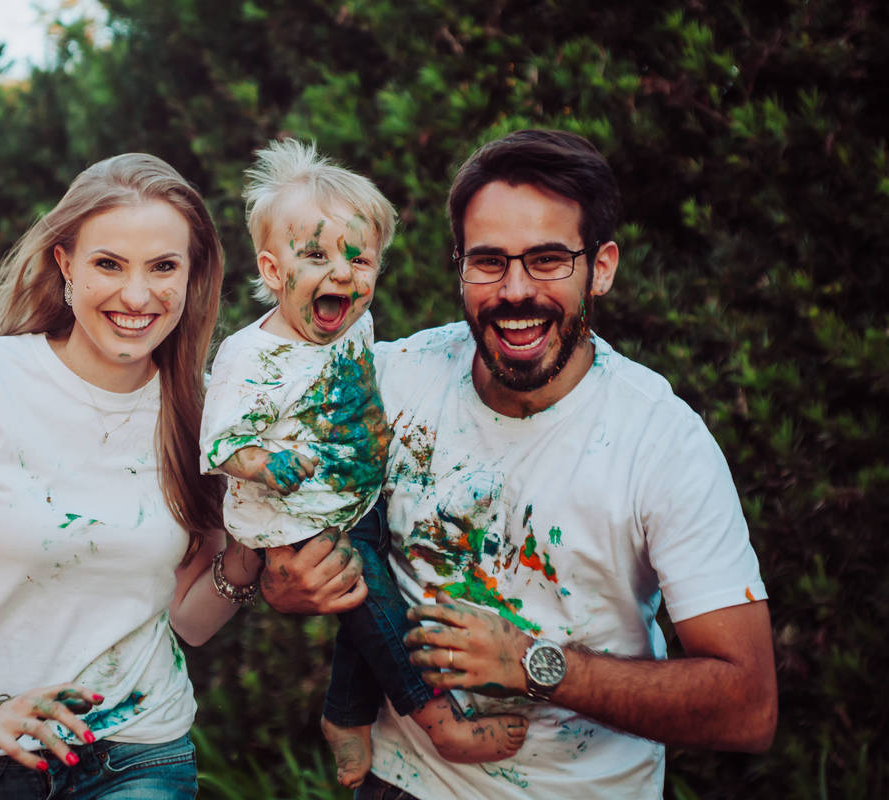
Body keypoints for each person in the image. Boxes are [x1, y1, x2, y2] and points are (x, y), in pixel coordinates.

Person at [263, 129, 777, 798]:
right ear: (459, 266)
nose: (514, 290)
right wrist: (282, 583)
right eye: (488, 262)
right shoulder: (392, 379)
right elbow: (277, 531)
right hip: (400, 784)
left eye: (547, 260)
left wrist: (537, 665)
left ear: (602, 268)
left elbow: (748, 707)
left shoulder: (662, 442)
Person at [0, 153, 268, 799]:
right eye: (109, 264)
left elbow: (190, 620)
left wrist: (254, 549)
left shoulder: (211, 414)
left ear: (192, 274)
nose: (136, 296)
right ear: (65, 264)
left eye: (163, 267)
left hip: (138, 753)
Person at [200, 139, 527, 790]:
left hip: (356, 498)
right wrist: (264, 463)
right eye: (316, 256)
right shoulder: (252, 359)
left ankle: (345, 717)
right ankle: (437, 718)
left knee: (366, 618)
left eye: (359, 258)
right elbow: (217, 444)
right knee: (379, 611)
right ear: (272, 271)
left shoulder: (352, 321)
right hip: (298, 519)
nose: (342, 274)